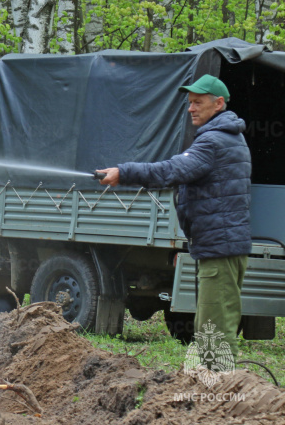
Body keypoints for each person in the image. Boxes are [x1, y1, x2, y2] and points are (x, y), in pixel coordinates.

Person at [97, 74, 251, 361]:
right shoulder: (227, 137)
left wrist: (124, 172)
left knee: (214, 330)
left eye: (198, 102)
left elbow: (171, 171)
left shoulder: (213, 142)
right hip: (220, 247)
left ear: (219, 104)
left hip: (220, 249)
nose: (191, 108)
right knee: (213, 325)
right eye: (189, 103)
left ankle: (216, 394)